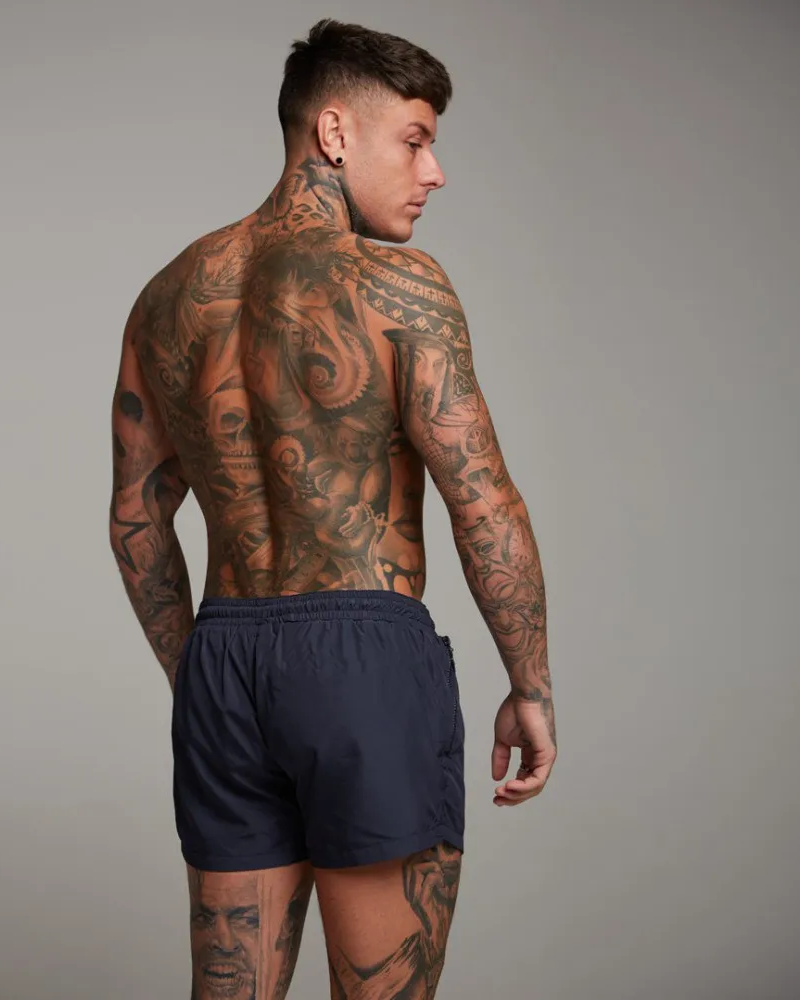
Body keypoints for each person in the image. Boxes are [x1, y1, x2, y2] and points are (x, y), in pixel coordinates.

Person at [109, 18, 555, 998]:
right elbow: (483, 500)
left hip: (224, 656)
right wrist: (530, 684)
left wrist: (198, 676)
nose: (434, 171)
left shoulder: (167, 297)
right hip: (361, 651)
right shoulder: (401, 287)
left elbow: (136, 520)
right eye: (415, 139)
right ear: (335, 131)